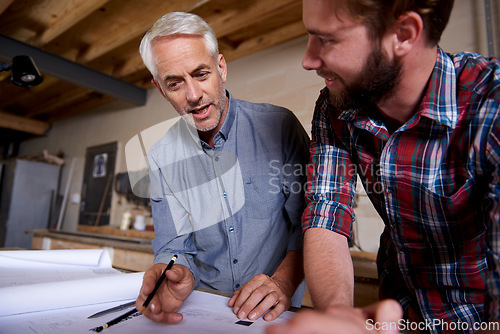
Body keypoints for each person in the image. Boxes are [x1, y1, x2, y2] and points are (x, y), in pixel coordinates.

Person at [267, 0, 500, 333]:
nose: (308, 60)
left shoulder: (491, 107)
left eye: (327, 40)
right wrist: (338, 316)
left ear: (403, 34)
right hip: (395, 314)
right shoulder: (337, 106)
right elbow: (325, 214)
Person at [135, 12, 310, 325]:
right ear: (161, 90)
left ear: (221, 67)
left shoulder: (279, 127)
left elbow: (310, 222)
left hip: (273, 313)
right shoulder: (163, 155)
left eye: (201, 74)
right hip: (204, 309)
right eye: (175, 84)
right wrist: (170, 269)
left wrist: (282, 283)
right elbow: (174, 246)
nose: (193, 95)